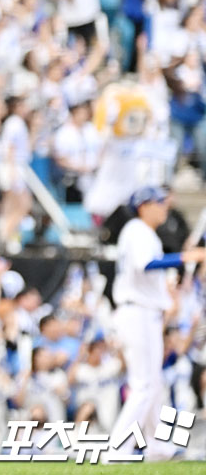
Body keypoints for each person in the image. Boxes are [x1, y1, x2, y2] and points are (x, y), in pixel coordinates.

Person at [108, 186, 206, 460]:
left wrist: (168, 295)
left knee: (153, 383)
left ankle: (158, 447)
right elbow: (147, 264)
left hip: (144, 312)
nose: (165, 208)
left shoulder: (144, 233)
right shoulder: (137, 229)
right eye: (160, 203)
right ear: (144, 205)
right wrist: (186, 257)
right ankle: (116, 449)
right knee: (143, 385)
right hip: (136, 312)